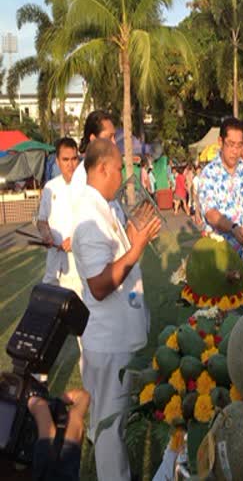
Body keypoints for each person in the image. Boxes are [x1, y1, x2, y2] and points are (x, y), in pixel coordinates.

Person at [71, 138, 161, 481]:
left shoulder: (104, 206)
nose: (123, 175)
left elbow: (115, 255)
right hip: (107, 342)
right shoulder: (88, 215)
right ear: (103, 168)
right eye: (120, 168)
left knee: (116, 424)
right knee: (109, 429)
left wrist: (132, 234)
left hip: (118, 336)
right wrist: (136, 248)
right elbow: (98, 284)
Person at [197, 117, 243, 255]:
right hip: (219, 255)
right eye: (231, 144)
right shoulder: (209, 174)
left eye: (239, 145)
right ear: (220, 142)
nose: (235, 151)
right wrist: (233, 228)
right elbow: (210, 213)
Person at [37, 137, 83, 298]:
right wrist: (46, 235)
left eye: (74, 159)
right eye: (65, 160)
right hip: (54, 266)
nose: (70, 164)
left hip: (79, 269)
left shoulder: (87, 188)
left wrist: (75, 239)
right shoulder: (50, 187)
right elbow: (42, 221)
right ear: (57, 161)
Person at [29, 389, 90, 481]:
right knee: (35, 403)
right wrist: (59, 401)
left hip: (64, 461)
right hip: (56, 461)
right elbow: (83, 396)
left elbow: (84, 397)